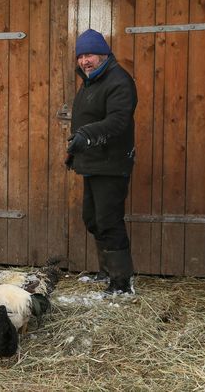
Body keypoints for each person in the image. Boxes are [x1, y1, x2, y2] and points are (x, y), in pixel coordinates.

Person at [65, 29, 137, 295]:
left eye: (90, 54)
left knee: (109, 220)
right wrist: (74, 152)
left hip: (112, 164)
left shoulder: (119, 81)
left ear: (104, 54)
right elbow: (85, 121)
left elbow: (117, 122)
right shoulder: (91, 82)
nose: (85, 60)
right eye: (81, 56)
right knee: (93, 219)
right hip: (93, 163)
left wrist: (85, 136)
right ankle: (107, 272)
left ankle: (121, 283)